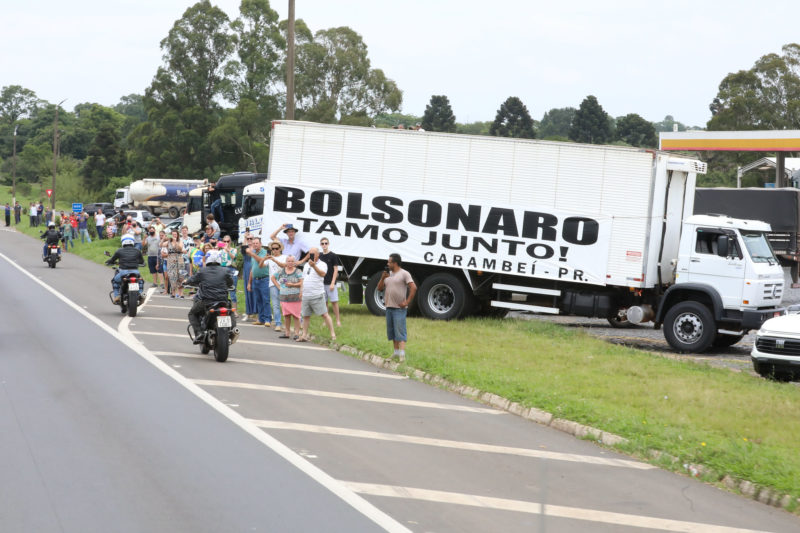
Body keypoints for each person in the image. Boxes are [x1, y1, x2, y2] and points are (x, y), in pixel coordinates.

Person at [184, 250, 235, 343]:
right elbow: (230, 283)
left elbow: (192, 279)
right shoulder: (225, 270)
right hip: (222, 301)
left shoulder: (203, 271)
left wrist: (185, 282)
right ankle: (233, 330)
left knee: (192, 313)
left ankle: (199, 333)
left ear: (207, 259)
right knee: (230, 310)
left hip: (207, 301)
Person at [377, 253, 417, 361]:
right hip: (389, 307)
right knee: (392, 331)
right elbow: (379, 289)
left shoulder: (404, 273)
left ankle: (402, 355)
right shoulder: (387, 274)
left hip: (399, 308)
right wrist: (382, 278)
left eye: (389, 262)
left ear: (395, 263)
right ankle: (395, 352)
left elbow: (413, 287)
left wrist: (407, 301)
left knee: (400, 331)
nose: (387, 263)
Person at [299, 247, 336, 342]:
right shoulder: (306, 265)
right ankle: (304, 335)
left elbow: (323, 274)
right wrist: (301, 290)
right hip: (306, 294)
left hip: (317, 294)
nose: (311, 256)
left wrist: (314, 266)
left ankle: (333, 334)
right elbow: (303, 278)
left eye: (313, 254)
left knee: (324, 314)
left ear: (318, 254)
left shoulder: (322, 264)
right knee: (306, 316)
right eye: (310, 254)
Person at [105, 234, 144, 304]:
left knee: (115, 281)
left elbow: (112, 260)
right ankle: (140, 294)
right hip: (135, 272)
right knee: (141, 281)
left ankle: (117, 296)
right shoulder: (137, 251)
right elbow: (142, 262)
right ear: (132, 241)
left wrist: (109, 262)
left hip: (123, 272)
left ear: (123, 241)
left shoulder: (119, 251)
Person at [245, 237, 272, 326]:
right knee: (258, 300)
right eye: (254, 243)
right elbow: (252, 269)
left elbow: (261, 260)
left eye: (257, 243)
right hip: (255, 280)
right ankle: (261, 319)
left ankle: (268, 319)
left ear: (260, 244)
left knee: (265, 300)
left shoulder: (264, 252)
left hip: (264, 279)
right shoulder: (253, 253)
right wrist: (249, 282)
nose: (255, 245)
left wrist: (251, 254)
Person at [276, 255, 303, 340]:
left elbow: (302, 282)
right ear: (286, 262)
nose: (290, 263)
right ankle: (287, 333)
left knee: (296, 315)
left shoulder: (298, 271)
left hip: (295, 296)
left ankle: (296, 333)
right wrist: (279, 287)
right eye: (288, 261)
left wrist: (293, 285)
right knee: (286, 315)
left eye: (292, 261)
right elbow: (273, 277)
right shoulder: (281, 271)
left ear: (294, 262)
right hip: (284, 296)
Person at [319, 238, 342, 327]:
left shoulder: (333, 255)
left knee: (334, 302)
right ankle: (326, 320)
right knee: (324, 303)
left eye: (326, 243)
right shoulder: (320, 256)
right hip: (322, 283)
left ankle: (338, 321)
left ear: (328, 244)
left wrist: (333, 282)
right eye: (322, 243)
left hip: (330, 283)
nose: (324, 245)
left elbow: (335, 270)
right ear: (320, 245)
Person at [267, 240, 285, 332]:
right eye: (273, 249)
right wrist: (263, 258)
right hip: (272, 284)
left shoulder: (284, 257)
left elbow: (284, 266)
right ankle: (278, 323)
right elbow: (261, 265)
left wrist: (274, 260)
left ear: (280, 249)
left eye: (276, 248)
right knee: (275, 305)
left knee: (287, 304)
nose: (274, 250)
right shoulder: (269, 258)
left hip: (284, 283)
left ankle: (299, 321)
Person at [219, 236, 238, 316]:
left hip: (231, 269)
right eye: (225, 241)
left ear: (230, 241)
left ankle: (234, 311)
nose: (226, 243)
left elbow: (233, 258)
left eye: (228, 241)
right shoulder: (220, 251)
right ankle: (224, 309)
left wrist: (228, 251)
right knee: (223, 291)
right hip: (223, 269)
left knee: (232, 290)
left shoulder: (234, 250)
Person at [240, 231, 256, 322]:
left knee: (255, 290)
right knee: (247, 290)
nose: (249, 240)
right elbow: (243, 248)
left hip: (255, 269)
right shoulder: (245, 248)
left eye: (251, 238)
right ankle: (248, 311)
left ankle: (256, 311)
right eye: (248, 238)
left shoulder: (256, 248)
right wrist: (244, 238)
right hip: (247, 269)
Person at [165, 229, 185, 298]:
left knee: (180, 276)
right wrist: (165, 238)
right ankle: (173, 292)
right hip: (171, 259)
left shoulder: (180, 241)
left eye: (175, 234)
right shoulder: (168, 242)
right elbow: (161, 244)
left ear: (178, 235)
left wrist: (175, 241)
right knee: (172, 276)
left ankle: (181, 293)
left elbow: (180, 248)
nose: (174, 236)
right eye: (173, 234)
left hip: (179, 259)